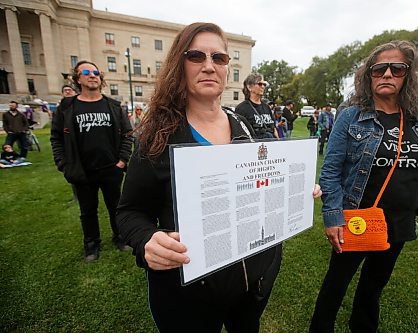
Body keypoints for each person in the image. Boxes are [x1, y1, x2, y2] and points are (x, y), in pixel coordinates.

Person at [115, 22, 320, 333]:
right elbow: (129, 212)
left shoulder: (243, 125)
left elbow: (256, 186)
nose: (209, 66)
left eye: (219, 58)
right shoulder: (158, 135)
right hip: (188, 291)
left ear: (226, 68)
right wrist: (146, 241)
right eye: (196, 56)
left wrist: (295, 189)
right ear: (179, 65)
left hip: (252, 283)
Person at [310, 40, 418, 333]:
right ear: (369, 75)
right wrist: (333, 218)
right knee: (336, 285)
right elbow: (330, 171)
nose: (387, 75)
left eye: (397, 69)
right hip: (358, 220)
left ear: (408, 75)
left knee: (373, 287)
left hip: (400, 223)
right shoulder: (352, 116)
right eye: (379, 69)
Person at [50, 60, 133, 262]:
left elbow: (128, 134)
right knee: (87, 211)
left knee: (116, 207)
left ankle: (120, 237)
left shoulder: (112, 105)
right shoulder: (67, 107)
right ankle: (91, 245)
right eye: (86, 72)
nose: (92, 75)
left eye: (96, 72)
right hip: (82, 171)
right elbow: (56, 138)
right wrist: (64, 164)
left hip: (111, 169)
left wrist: (122, 160)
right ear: (78, 78)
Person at [235, 73, 277, 139]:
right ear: (249, 87)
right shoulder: (241, 109)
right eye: (260, 84)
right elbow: (239, 135)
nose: (263, 86)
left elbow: (274, 129)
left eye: (264, 84)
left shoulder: (267, 107)